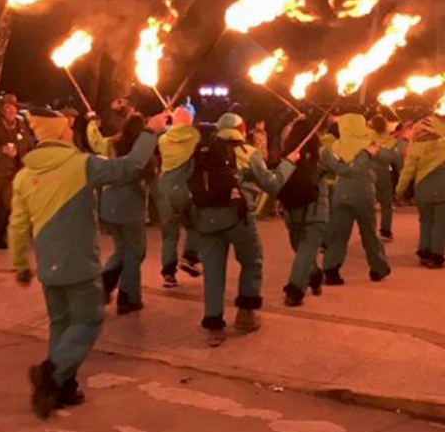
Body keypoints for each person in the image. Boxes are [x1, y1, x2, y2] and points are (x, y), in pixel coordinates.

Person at [10, 109, 164, 419]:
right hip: (80, 263)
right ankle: (50, 373)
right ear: (59, 133)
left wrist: (20, 264)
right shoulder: (81, 165)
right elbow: (129, 167)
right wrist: (151, 132)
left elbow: (17, 224)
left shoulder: (25, 175)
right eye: (67, 127)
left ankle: (60, 389)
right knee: (89, 320)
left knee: (61, 323)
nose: (72, 131)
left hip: (48, 265)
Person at [191, 113, 295, 346]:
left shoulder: (202, 151)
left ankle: (214, 326)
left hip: (206, 218)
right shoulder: (247, 152)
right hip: (238, 218)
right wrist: (289, 164)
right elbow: (271, 183)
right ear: (241, 127)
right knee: (252, 261)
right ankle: (245, 314)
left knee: (213, 271)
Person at [88, 112, 157, 315]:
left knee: (121, 249)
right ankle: (128, 297)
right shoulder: (142, 153)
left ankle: (103, 286)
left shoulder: (110, 144)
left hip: (109, 204)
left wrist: (92, 122)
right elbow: (150, 179)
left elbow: (95, 141)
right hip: (130, 206)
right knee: (135, 251)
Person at [321, 112, 391, 284]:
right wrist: (371, 152)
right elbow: (391, 158)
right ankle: (378, 268)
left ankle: (331, 270)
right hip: (363, 195)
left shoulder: (331, 147)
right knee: (369, 233)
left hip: (341, 194)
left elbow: (336, 169)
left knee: (338, 235)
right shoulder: (369, 145)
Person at [396, 117, 445, 269]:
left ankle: (424, 252)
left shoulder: (414, 149)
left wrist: (399, 190)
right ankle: (436, 256)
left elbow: (407, 172)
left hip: (424, 191)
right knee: (440, 225)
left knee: (426, 223)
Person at [278, 117, 328, 306]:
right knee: (305, 252)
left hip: (293, 212)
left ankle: (296, 286)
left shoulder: (287, 157)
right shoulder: (321, 155)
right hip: (315, 211)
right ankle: (308, 281)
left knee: (302, 250)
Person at [155, 107, 204, 286]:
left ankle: (169, 273)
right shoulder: (195, 136)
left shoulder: (163, 140)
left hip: (165, 188)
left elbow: (168, 130)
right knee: (195, 224)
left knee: (169, 234)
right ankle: (190, 257)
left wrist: (169, 118)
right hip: (185, 187)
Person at [0, 93, 33, 250]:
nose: (10, 110)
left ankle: (0, 237)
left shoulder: (21, 125)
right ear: (2, 109)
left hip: (14, 171)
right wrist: (1, 149)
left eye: (13, 107)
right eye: (7, 107)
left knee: (8, 207)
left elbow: (28, 144)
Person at [369, 115, 403, 241]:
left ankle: (369, 230)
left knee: (369, 204)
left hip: (368, 171)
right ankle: (385, 230)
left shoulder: (366, 137)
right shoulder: (391, 140)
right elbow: (396, 158)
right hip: (383, 171)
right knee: (386, 204)